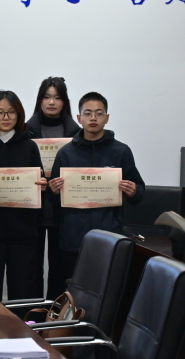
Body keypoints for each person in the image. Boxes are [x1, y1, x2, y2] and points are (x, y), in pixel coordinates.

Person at [49, 92, 144, 282]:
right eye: (88, 113)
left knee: (108, 289)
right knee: (74, 288)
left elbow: (139, 190)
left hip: (110, 236)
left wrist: (133, 191)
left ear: (107, 118)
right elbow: (53, 199)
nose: (93, 118)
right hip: (73, 238)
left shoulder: (121, 151)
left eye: (99, 113)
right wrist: (53, 191)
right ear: (79, 118)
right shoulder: (66, 153)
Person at [0, 91, 47, 302]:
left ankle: (23, 323)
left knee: (23, 292)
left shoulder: (30, 146)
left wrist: (42, 184)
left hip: (23, 231)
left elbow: (40, 179)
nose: (6, 117)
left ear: (19, 114)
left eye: (11, 112)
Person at [26, 77, 80, 300]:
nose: (51, 102)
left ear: (64, 101)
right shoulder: (26, 131)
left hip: (63, 210)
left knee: (61, 270)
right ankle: (34, 314)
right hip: (33, 208)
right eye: (47, 97)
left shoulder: (77, 134)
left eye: (57, 98)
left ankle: (55, 314)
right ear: (40, 100)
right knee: (31, 269)